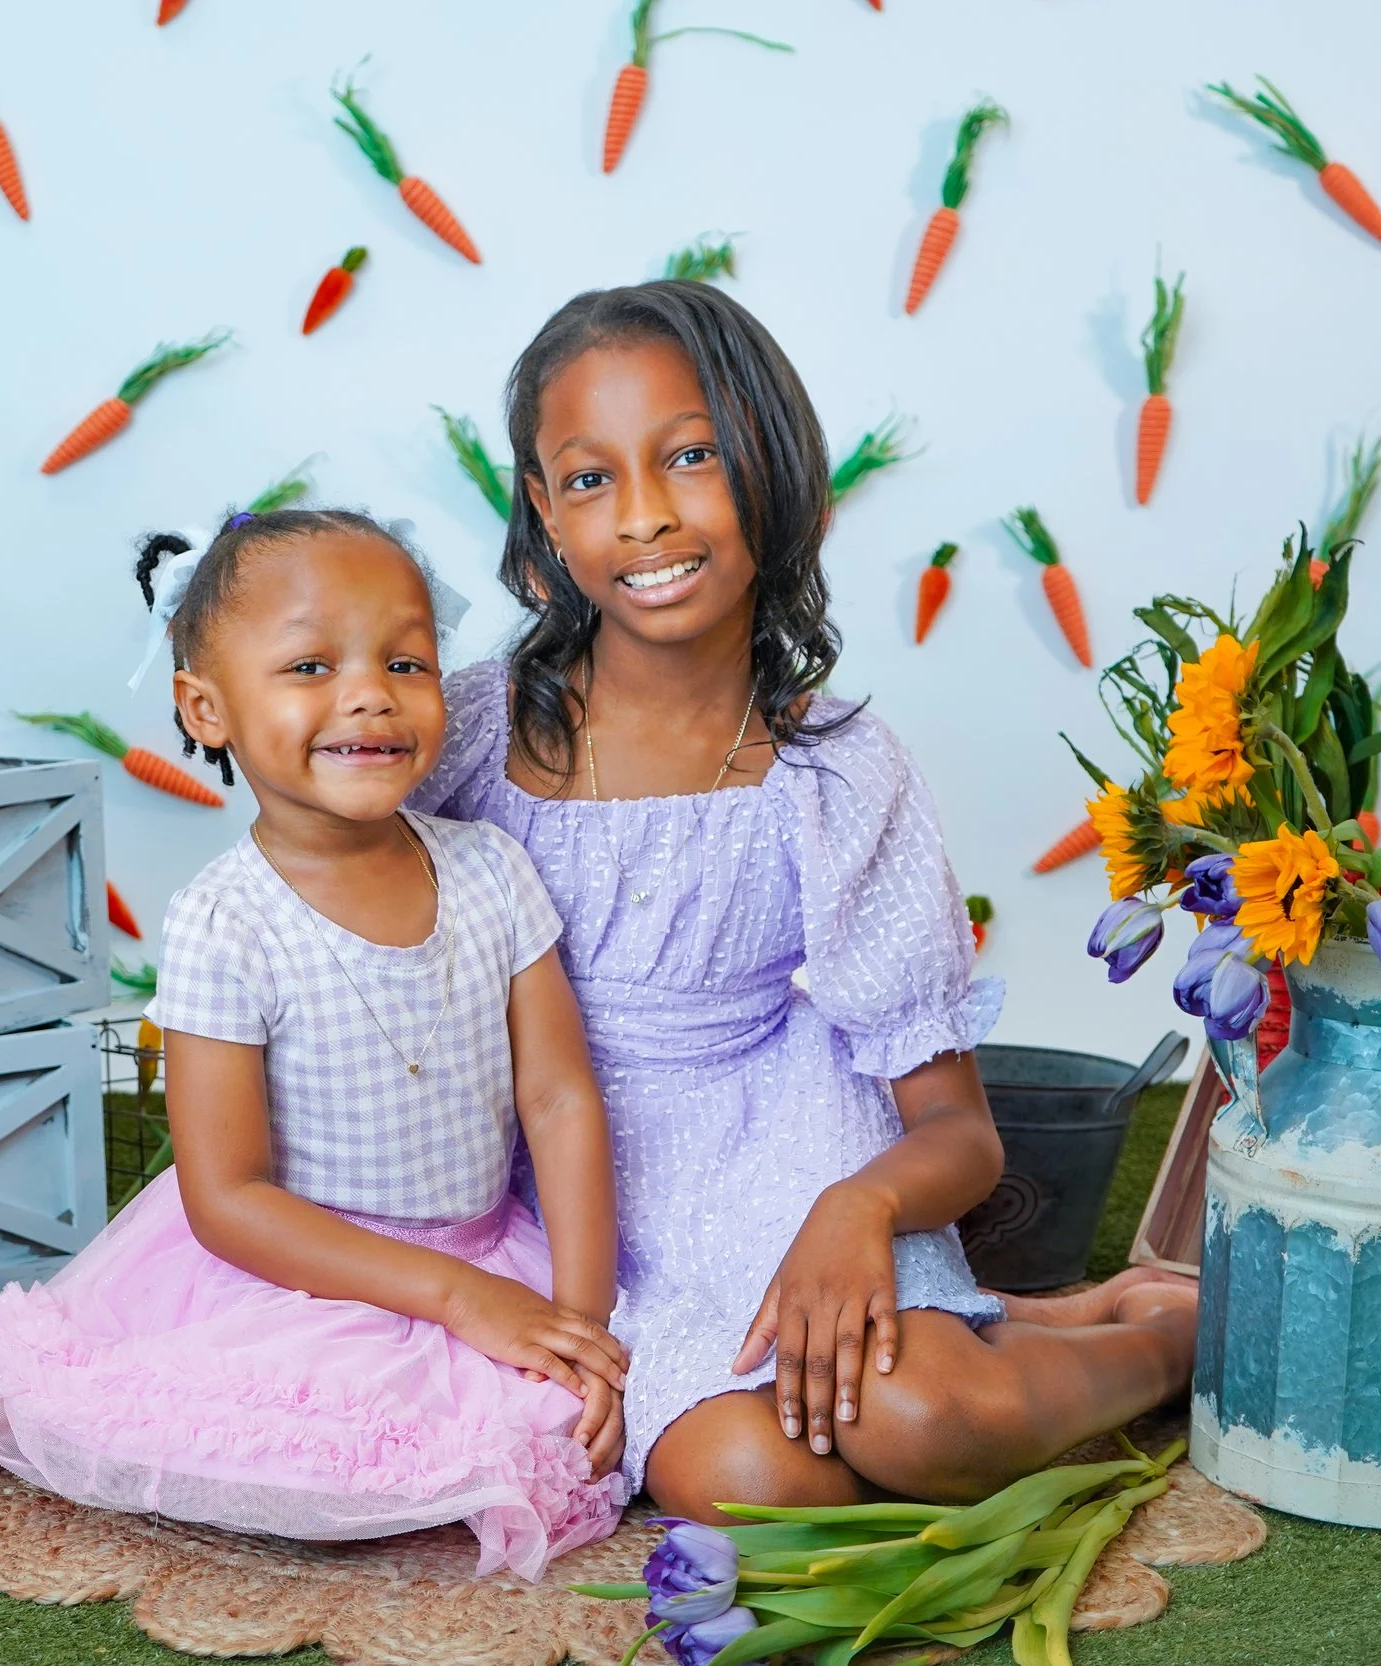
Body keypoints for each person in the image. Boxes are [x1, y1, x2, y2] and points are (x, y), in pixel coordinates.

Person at [409, 282, 1198, 1523]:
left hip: (788, 1154)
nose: (648, 514)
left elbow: (960, 1132)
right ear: (543, 524)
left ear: (771, 471)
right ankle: (1027, 1318)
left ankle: (1163, 1343)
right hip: (563, 1197)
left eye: (690, 455)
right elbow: (320, 896)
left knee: (923, 1419)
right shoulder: (458, 734)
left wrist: (860, 1206)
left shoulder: (834, 772)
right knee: (748, 1483)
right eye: (589, 478)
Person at [0, 508, 629, 1580]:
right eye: (310, 663)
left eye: (407, 659)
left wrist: (574, 1326)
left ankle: (20, 1415)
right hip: (286, 1270)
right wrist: (452, 1298)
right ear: (205, 707)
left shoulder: (490, 869)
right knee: (227, 1432)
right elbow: (231, 1199)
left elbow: (561, 1099)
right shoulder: (225, 918)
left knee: (551, 1438)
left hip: (481, 1241)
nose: (369, 692)